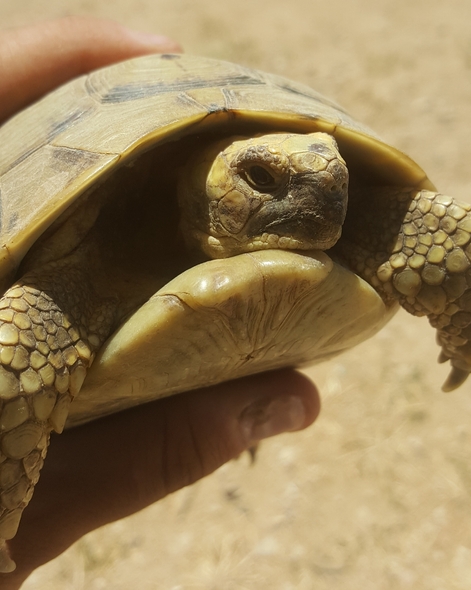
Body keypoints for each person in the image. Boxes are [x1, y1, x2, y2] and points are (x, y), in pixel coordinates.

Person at [0, 17, 320, 588]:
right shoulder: (60, 291)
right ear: (194, 184)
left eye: (337, 180)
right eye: (260, 178)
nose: (320, 194)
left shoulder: (327, 203)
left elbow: (430, 226)